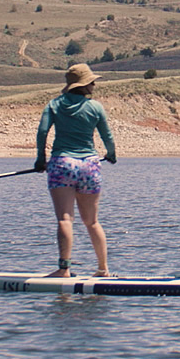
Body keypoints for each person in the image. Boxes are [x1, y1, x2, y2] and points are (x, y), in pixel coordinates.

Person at [36, 63, 117, 278]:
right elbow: (107, 136)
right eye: (92, 81)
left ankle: (64, 269)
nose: (94, 84)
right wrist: (111, 154)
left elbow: (43, 132)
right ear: (85, 85)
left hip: (62, 164)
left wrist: (40, 160)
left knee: (65, 219)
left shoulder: (54, 105)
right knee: (92, 221)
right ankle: (103, 269)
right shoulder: (96, 107)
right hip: (90, 165)